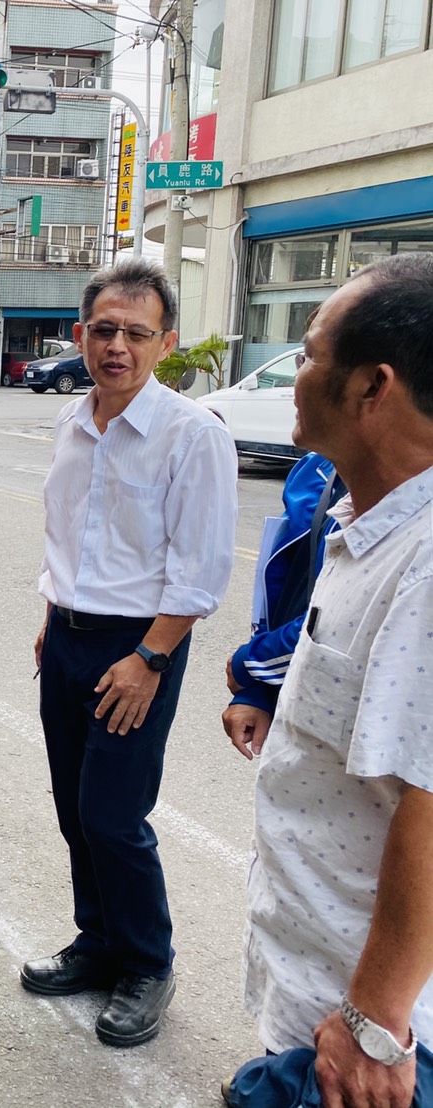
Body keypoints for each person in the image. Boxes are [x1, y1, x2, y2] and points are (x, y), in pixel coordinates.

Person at [225, 252, 433, 1108]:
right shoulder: (364, 521)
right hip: (320, 993)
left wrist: (378, 1022)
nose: (297, 377)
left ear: (371, 386)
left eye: (310, 355)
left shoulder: (425, 569)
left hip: (369, 1046)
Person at [23, 258, 237, 1047]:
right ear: (81, 335)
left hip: (138, 646)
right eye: (104, 329)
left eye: (136, 334)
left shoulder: (190, 433)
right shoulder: (72, 421)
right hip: (69, 634)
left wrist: (149, 659)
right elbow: (68, 533)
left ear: (164, 342)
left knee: (114, 816)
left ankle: (148, 962)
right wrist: (56, 611)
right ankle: (99, 941)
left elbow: (201, 567)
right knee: (74, 811)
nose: (117, 346)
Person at [221, 451, 343, 761]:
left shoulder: (401, 489)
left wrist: (251, 663)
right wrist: (259, 689)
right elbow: (289, 586)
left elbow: (341, 623)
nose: (294, 400)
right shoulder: (318, 466)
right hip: (300, 710)